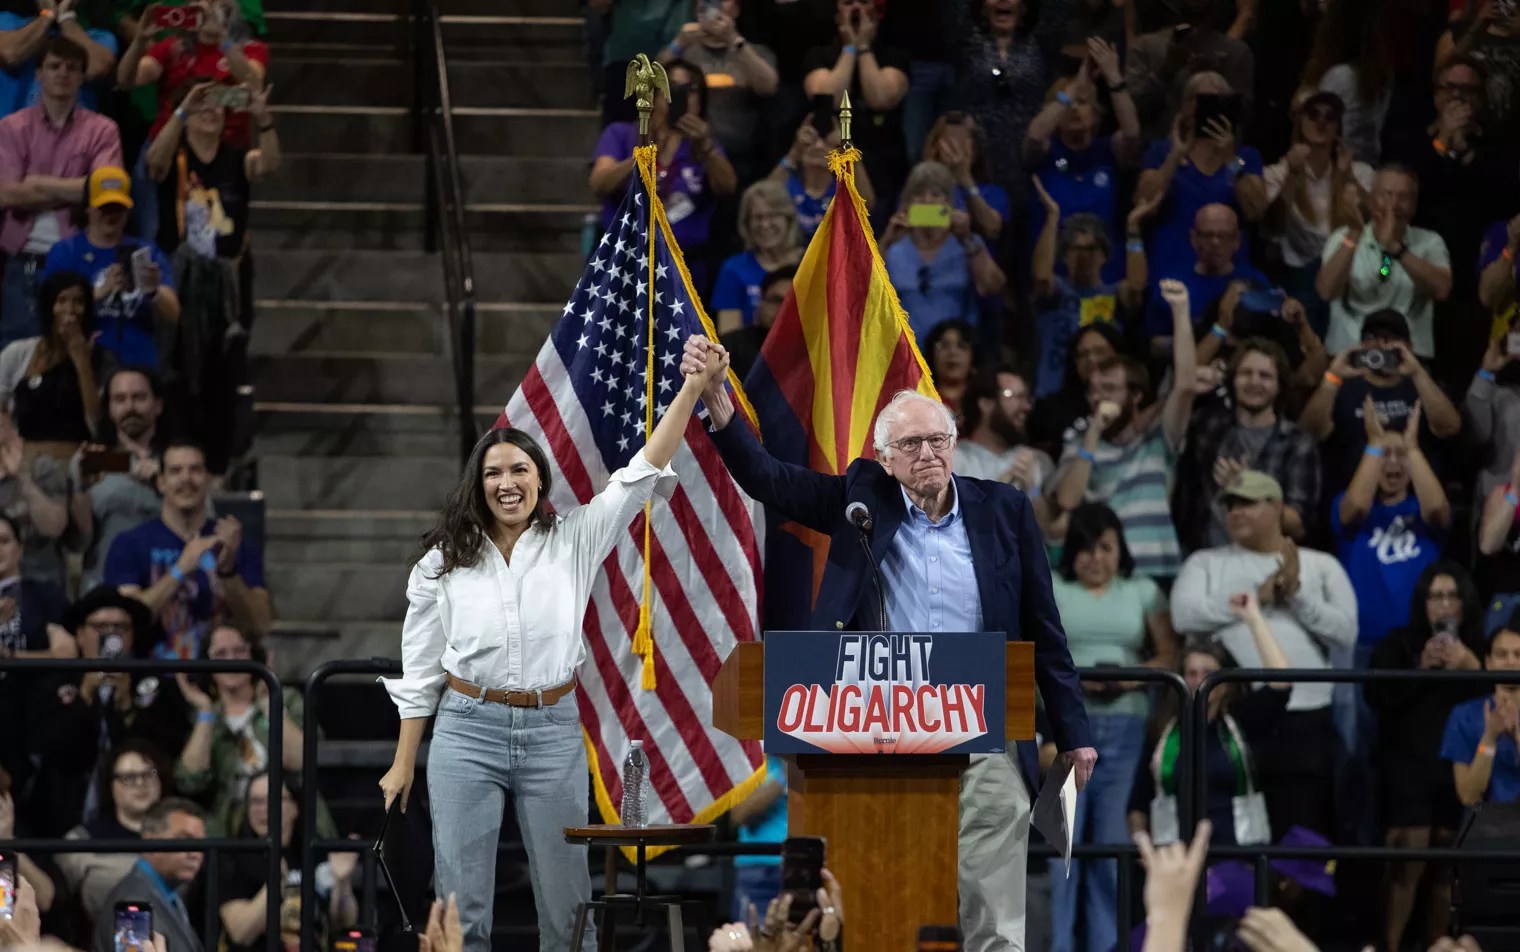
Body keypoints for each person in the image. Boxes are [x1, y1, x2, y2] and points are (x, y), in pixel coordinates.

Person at [682, 335, 1095, 952]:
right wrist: (715, 398)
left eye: (937, 441)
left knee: (992, 905)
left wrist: (1075, 732)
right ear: (885, 456)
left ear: (955, 446)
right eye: (910, 445)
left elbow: (1046, 628)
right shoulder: (861, 501)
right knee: (888, 895)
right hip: (881, 730)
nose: (927, 454)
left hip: (985, 725)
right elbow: (768, 478)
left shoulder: (1004, 509)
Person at [377, 346, 727, 950]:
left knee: (568, 910)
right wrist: (404, 760)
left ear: (540, 478)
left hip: (553, 731)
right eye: (493, 473)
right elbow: (420, 672)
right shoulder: (442, 562)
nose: (506, 483)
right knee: (463, 909)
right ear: (477, 484)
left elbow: (645, 467)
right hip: (465, 730)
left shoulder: (577, 537)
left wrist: (693, 389)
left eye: (518, 470)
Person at [1171, 470, 1358, 839]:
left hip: (1306, 717)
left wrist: (1297, 594)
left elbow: (1346, 632)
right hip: (1233, 719)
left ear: (1276, 507)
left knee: (1304, 840)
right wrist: (1258, 596)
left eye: (1247, 503)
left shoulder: (1320, 565)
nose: (1236, 513)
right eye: (1230, 506)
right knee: (1237, 834)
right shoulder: (1205, 562)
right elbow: (1184, 615)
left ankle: (1293, 899)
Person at [1049, 503, 1176, 952]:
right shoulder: (1054, 587)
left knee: (1109, 847)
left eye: (1105, 547)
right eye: (1084, 548)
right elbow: (1035, 650)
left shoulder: (1142, 590)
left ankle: (1106, 947)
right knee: (1062, 847)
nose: (1095, 558)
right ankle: (1059, 946)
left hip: (1126, 729)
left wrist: (1126, 677)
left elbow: (1169, 655)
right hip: (1065, 728)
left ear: (1121, 549)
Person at [1367, 562, 1488, 952]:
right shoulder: (1398, 643)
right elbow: (1376, 699)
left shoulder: (1484, 648)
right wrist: (1420, 668)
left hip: (1457, 769)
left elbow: (1500, 702)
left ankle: (1437, 946)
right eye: (1436, 596)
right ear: (1422, 603)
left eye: (1453, 596)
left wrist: (1473, 669)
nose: (1445, 605)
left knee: (1445, 866)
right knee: (1408, 858)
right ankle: (1389, 946)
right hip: (1408, 765)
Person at [1048, 279, 1198, 582]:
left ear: (1136, 396)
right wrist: (1093, 434)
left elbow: (1185, 386)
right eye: (1095, 391)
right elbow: (1067, 501)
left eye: (1111, 389)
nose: (1100, 397)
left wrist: (1181, 311)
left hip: (1160, 570)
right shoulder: (1079, 442)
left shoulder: (1160, 438)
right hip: (1112, 576)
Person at [1128, 592, 1291, 847]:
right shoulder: (1162, 728)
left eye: (1209, 673)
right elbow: (1139, 801)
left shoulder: (1243, 720)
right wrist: (1142, 844)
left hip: (1238, 855)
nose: (1200, 680)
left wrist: (1253, 618)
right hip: (1175, 855)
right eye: (1191, 673)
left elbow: (1282, 683)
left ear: (1225, 683)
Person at [23, 585, 188, 838]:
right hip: (62, 818)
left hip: (142, 820)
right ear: (80, 634)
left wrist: (125, 705)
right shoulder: (53, 682)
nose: (111, 636)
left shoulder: (156, 684)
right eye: (100, 628)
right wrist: (85, 697)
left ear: (132, 635)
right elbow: (51, 749)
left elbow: (165, 750)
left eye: (120, 628)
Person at [0, 35, 120, 345]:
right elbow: (7, 195)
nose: (63, 73)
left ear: (82, 76)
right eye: (54, 66)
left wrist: (36, 182)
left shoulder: (103, 130)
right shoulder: (11, 128)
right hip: (23, 260)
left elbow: (106, 191)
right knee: (19, 362)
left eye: (71, 67)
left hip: (82, 261)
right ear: (38, 74)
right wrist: (78, 188)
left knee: (80, 360)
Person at [104, 440, 269, 659]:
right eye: (175, 471)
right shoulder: (129, 543)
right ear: (161, 482)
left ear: (209, 480)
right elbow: (127, 621)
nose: (186, 479)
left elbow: (260, 624)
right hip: (151, 676)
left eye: (195, 470)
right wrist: (180, 569)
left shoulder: (235, 544)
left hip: (215, 677)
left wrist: (228, 571)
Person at [589, 58, 736, 293]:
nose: (679, 98)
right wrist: (642, 154)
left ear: (700, 102)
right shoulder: (621, 133)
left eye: (690, 90)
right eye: (672, 88)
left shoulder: (703, 145)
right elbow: (599, 183)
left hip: (685, 267)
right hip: (626, 263)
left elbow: (728, 187)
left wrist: (706, 148)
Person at [173, 623, 324, 839]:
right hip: (229, 829)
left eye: (239, 651)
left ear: (254, 655)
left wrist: (269, 702)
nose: (231, 660)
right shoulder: (204, 715)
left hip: (291, 824)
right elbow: (191, 780)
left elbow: (302, 759)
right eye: (220, 654)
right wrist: (205, 712)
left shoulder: (286, 699)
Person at [1175, 338, 1321, 552]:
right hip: (1204, 561)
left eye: (1265, 376)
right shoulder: (1206, 425)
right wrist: (1188, 387)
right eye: (1246, 373)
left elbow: (1298, 526)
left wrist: (1249, 486)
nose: (1254, 382)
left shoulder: (1297, 442)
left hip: (1265, 563)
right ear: (1232, 380)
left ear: (1280, 385)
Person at [1332, 398, 1450, 650]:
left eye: (1402, 455)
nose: (1393, 462)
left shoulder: (1422, 507)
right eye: (1385, 455)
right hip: (1360, 641)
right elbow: (1355, 509)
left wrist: (1413, 448)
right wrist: (1375, 442)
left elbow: (1439, 511)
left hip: (1420, 641)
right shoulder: (1345, 502)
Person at [1025, 40, 1142, 281]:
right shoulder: (1047, 152)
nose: (1074, 108)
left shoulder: (1108, 150)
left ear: (1097, 111)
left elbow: (1131, 133)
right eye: (1069, 103)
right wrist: (1077, 86)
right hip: (1052, 272)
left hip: (1104, 273)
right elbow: (1035, 135)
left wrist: (1113, 77)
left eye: (1083, 102)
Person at [1135, 72, 1268, 281]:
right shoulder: (1162, 152)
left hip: (1229, 274)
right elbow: (1144, 203)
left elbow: (1256, 211)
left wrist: (1230, 160)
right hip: (1171, 269)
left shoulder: (1246, 157)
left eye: (1215, 101)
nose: (1206, 108)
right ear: (1185, 107)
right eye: (1200, 100)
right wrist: (1175, 155)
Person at [41, 166, 179, 369]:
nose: (111, 215)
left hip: (138, 362)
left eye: (118, 208)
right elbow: (50, 315)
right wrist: (98, 293)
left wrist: (154, 291)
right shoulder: (64, 253)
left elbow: (173, 314)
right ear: (88, 207)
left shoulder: (146, 250)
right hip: (82, 363)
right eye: (104, 208)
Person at [1262, 91, 1374, 336]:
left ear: (1339, 127)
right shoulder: (1276, 172)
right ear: (1300, 121)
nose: (1321, 122)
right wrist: (1292, 174)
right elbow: (1273, 225)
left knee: (1385, 269)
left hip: (1352, 274)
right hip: (1300, 277)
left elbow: (1377, 222)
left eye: (1330, 117)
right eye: (1313, 115)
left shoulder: (1360, 172)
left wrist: (1347, 177)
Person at [1029, 184, 1155, 399]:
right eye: (1075, 249)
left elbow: (1136, 287)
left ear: (1104, 255)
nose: (1083, 256)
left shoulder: (1114, 293)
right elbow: (1041, 276)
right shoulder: (1056, 290)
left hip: (1105, 392)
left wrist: (1133, 229)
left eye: (1091, 249)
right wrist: (1052, 218)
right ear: (1064, 255)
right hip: (1053, 393)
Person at [1316, 165, 1453, 361]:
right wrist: (1355, 234)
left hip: (1408, 356)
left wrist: (1395, 249)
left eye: (1402, 197)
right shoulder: (1343, 238)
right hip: (1350, 351)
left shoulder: (1429, 242)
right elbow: (1326, 291)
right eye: (1386, 195)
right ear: (1371, 200)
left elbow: (1442, 290)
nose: (1393, 204)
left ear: (1414, 205)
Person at [216, 770, 356, 952]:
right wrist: (275, 883)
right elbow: (241, 933)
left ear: (295, 806)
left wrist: (342, 883)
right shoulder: (232, 858)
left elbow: (344, 923)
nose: (263, 809)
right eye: (256, 802)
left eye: (273, 799)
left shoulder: (313, 852)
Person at [954, 0, 1070, 214]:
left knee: (1025, 224)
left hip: (1027, 153)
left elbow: (1058, 9)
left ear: (1024, 6)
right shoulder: (968, 42)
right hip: (979, 156)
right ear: (981, 7)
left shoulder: (1040, 44)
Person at [880, 160, 1005, 342]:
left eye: (936, 194)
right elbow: (860, 292)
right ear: (906, 203)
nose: (927, 201)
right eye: (918, 195)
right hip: (905, 355)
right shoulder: (894, 250)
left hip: (956, 351)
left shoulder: (967, 244)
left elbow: (993, 285)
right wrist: (886, 241)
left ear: (949, 203)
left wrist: (967, 238)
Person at [802, 0, 909, 207]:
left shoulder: (895, 56)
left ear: (877, 13)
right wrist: (850, 47)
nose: (856, 9)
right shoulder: (818, 55)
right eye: (848, 3)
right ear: (836, 15)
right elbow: (828, 98)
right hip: (831, 161)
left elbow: (880, 98)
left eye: (864, 2)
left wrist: (863, 47)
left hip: (884, 158)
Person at [657, 0, 777, 184]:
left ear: (736, 10)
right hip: (689, 153)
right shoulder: (684, 52)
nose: (714, 6)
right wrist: (678, 43)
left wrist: (733, 40)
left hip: (741, 155)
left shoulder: (754, 51)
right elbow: (651, 83)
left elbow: (768, 86)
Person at [72, 366, 167, 591]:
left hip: (164, 588)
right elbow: (79, 542)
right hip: (104, 589)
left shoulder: (177, 462)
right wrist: (81, 490)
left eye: (139, 398)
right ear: (110, 408)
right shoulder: (91, 460)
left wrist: (161, 483)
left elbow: (202, 522)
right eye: (120, 399)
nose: (129, 407)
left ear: (158, 405)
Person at [0, 269, 112, 454]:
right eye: (62, 300)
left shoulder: (102, 359)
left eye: (79, 302)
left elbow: (99, 427)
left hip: (79, 460)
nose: (71, 310)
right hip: (25, 458)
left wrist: (81, 363)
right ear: (48, 306)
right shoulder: (18, 353)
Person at [56, 740, 169, 923]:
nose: (141, 783)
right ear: (111, 785)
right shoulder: (83, 839)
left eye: (148, 774)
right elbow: (56, 898)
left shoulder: (181, 834)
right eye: (129, 778)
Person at [1143, 203, 1270, 356]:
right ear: (1194, 238)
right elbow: (1155, 343)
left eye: (1223, 236)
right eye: (1208, 235)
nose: (1215, 242)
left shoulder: (1256, 283)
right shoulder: (1172, 286)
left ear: (1237, 240)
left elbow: (1270, 341)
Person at [1126, 0, 1254, 141]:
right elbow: (1130, 110)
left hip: (1216, 150)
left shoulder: (1235, 52)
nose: (1195, 26)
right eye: (1189, 15)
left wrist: (1215, 80)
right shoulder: (1147, 47)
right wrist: (1166, 70)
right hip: (1157, 148)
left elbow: (1245, 115)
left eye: (1201, 16)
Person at [92, 797, 206, 952]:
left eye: (200, 844)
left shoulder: (170, 896)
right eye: (184, 839)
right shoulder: (132, 904)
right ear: (150, 841)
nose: (195, 854)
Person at [1298, 0, 1392, 163]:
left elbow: (1321, 133)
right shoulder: (1380, 75)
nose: (1320, 5)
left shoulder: (1340, 77)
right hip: (1368, 165)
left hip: (1339, 170)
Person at [1443, 615, 1520, 805]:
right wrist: (1489, 738)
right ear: (1488, 662)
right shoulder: (1464, 716)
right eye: (1501, 654)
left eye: (1518, 654)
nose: (1510, 662)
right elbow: (1469, 796)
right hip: (1485, 828)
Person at [953, 364, 1054, 502]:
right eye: (1014, 396)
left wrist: (1033, 492)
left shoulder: (1035, 461)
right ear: (985, 404)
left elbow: (1050, 524)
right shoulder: (953, 462)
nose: (1026, 406)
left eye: (1025, 397)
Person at [0, 1, 118, 118]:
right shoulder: (6, 22)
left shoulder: (100, 37)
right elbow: (9, 54)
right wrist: (47, 15)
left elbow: (95, 68)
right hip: (11, 134)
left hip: (74, 135)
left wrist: (65, 17)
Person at [712, 180, 801, 334]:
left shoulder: (812, 264)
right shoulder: (733, 269)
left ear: (788, 219)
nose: (764, 225)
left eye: (772, 216)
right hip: (751, 355)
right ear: (746, 224)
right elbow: (729, 336)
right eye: (757, 217)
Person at [768, 115, 874, 241]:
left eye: (826, 142)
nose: (818, 146)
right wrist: (794, 152)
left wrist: (849, 151)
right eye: (811, 142)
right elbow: (765, 198)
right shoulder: (788, 186)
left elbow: (866, 205)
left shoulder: (843, 191)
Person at [1027, 320, 1124, 456]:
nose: (1091, 359)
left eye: (1100, 351)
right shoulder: (1050, 409)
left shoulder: (1133, 399)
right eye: (1082, 355)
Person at [0, 412, 68, 587]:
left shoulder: (41, 467)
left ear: (14, 432)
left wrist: (22, 477)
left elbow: (54, 527)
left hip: (41, 586)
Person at [923, 109, 1009, 243]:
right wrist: (949, 217)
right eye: (948, 144)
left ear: (974, 151)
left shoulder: (993, 192)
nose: (954, 153)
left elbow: (992, 228)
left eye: (961, 144)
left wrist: (965, 180)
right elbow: (910, 217)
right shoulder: (919, 189)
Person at [719, 264, 791, 381]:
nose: (782, 309)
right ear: (760, 303)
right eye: (776, 301)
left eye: (791, 303)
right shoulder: (728, 348)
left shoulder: (817, 353)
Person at [922, 318, 976, 425]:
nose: (952, 352)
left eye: (962, 346)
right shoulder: (920, 400)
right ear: (932, 355)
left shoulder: (984, 404)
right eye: (943, 346)